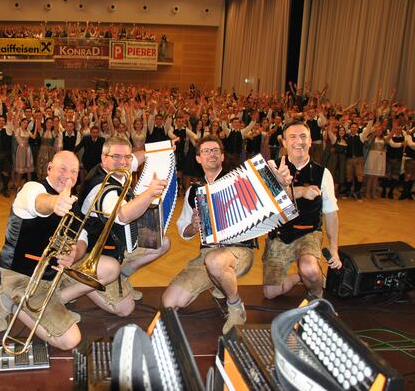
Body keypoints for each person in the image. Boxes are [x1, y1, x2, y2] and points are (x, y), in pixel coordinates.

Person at [0, 151, 117, 350]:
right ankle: (8, 300)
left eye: (73, 171)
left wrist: (75, 252)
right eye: (62, 169)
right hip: (22, 276)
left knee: (111, 268)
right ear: (49, 168)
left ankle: (53, 302)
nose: (68, 176)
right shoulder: (32, 188)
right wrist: (55, 203)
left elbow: (81, 238)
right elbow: (39, 203)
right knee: (70, 340)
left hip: (52, 275)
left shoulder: (72, 202)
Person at [162, 135, 291, 334]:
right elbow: (183, 229)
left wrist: (281, 184)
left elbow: (278, 203)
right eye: (206, 151)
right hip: (208, 254)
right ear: (198, 159)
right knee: (169, 302)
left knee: (215, 262)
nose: (211, 154)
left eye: (215, 150)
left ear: (222, 156)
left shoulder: (243, 181)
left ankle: (235, 305)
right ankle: (219, 281)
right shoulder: (194, 191)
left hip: (240, 251)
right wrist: (193, 228)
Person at [76, 136, 170, 316]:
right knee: (125, 310)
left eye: (126, 157)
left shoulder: (116, 167)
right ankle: (84, 282)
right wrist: (150, 193)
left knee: (161, 242)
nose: (124, 161)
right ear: (104, 158)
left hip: (117, 244)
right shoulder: (101, 187)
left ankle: (122, 276)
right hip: (97, 252)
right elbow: (122, 216)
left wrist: (162, 148)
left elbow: (137, 158)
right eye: (117, 157)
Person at [263, 120, 342, 300]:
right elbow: (265, 203)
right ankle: (301, 277)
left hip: (309, 233)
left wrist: (334, 248)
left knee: (309, 268)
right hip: (279, 234)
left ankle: (317, 296)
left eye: (303, 136)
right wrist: (298, 191)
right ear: (284, 142)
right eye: (292, 137)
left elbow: (331, 212)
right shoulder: (272, 168)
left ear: (310, 140)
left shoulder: (323, 173)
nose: (298, 141)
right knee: (270, 293)